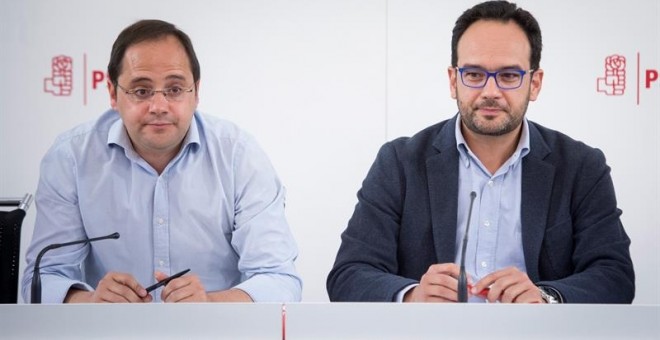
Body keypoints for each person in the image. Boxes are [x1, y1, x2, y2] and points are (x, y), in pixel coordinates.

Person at [327, 1, 634, 303]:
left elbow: (614, 276)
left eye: (509, 76)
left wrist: (546, 298)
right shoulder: (399, 163)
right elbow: (349, 274)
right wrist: (412, 297)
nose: (490, 91)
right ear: (453, 80)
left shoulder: (582, 167)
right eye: (474, 74)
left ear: (535, 83)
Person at [22, 19, 302, 303]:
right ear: (112, 93)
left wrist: (211, 304)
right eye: (141, 91)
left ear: (196, 93)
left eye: (175, 89)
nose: (158, 107)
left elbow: (279, 280)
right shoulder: (71, 158)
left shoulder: (239, 157)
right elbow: (43, 277)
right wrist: (89, 303)